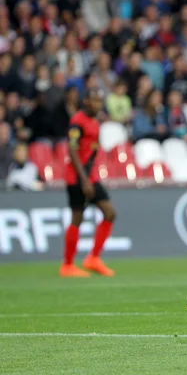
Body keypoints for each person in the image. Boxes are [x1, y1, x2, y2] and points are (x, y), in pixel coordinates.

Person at [61, 87, 116, 278]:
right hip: (77, 178)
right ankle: (67, 265)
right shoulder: (77, 122)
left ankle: (93, 258)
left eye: (100, 101)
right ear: (86, 102)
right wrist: (84, 180)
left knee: (109, 213)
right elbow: (73, 150)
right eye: (95, 101)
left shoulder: (95, 121)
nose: (98, 104)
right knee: (78, 217)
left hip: (91, 177)